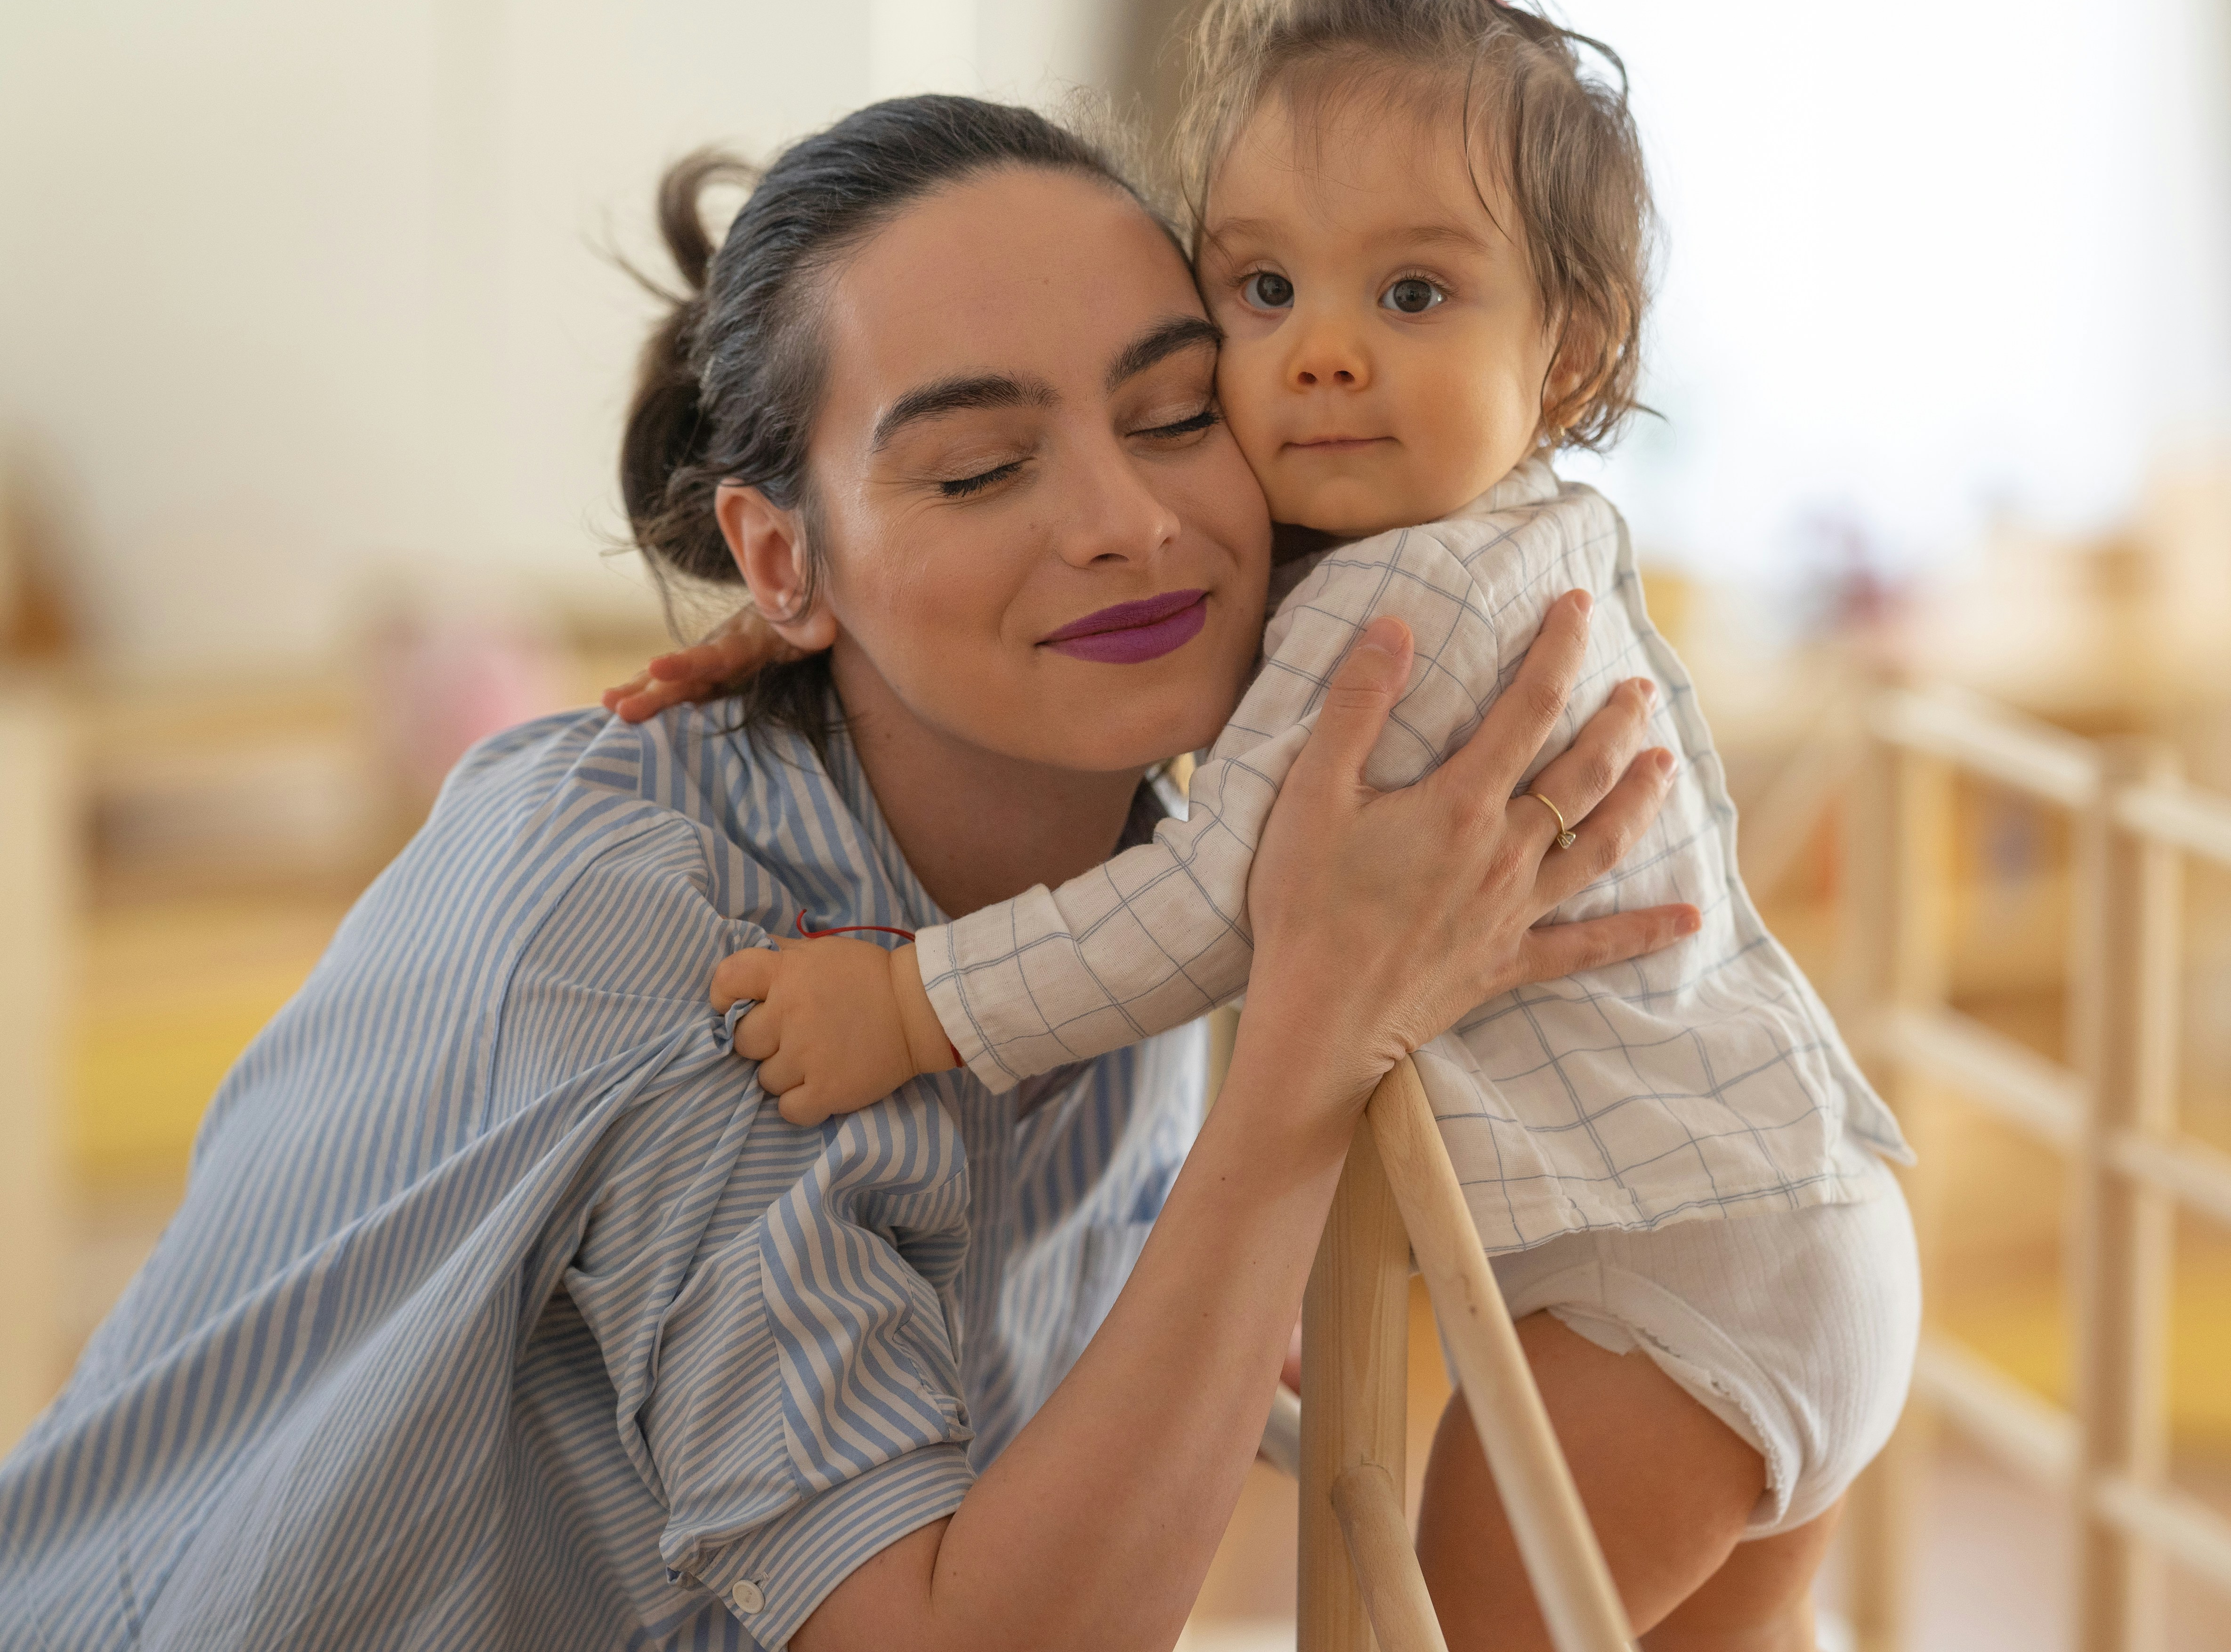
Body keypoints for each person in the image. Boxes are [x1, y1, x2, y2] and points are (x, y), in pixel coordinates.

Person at [0, 95, 1691, 1651]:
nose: (1130, 522)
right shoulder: (678, 953)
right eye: (976, 469)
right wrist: (1305, 1077)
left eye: (1177, 414)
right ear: (779, 561)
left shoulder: (1128, 847)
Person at [614, 0, 1922, 1651]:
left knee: (1416, 1628)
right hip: (1790, 1239)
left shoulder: (1397, 613)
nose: (1319, 357)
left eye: (1413, 297)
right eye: (1262, 291)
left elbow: (1213, 897)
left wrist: (910, 1005)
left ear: (1575, 358)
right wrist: (815, 620)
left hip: (1665, 1302)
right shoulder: (1513, 538)